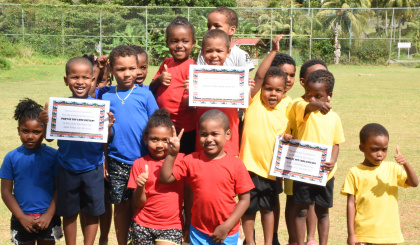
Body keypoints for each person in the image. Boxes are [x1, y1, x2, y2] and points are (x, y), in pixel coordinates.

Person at [39, 57, 114, 245]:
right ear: (66, 80)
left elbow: (107, 139)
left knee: (92, 212)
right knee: (69, 212)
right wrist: (45, 122)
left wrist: (109, 126)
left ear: (93, 81)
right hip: (66, 166)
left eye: (85, 78)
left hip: (93, 167)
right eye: (74, 77)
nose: (80, 82)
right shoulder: (60, 107)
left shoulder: (99, 108)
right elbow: (49, 138)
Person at [160, 109, 254, 245]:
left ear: (228, 134)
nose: (209, 139)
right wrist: (172, 154)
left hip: (226, 232)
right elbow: (165, 178)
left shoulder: (236, 164)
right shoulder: (191, 160)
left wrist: (226, 227)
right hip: (198, 231)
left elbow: (245, 199)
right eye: (204, 134)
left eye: (214, 134)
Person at [102, 45, 159, 245]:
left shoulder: (146, 95)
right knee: (121, 207)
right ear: (111, 69)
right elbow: (101, 134)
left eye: (132, 68)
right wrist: (104, 160)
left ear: (138, 68)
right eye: (121, 69)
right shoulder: (105, 96)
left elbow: (157, 125)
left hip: (143, 162)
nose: (127, 74)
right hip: (117, 161)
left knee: (142, 205)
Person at [283, 69, 345, 245]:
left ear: (329, 95)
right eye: (308, 94)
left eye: (318, 95)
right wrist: (315, 104)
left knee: (323, 212)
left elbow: (336, 143)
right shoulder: (302, 109)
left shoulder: (334, 118)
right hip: (302, 171)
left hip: (325, 174)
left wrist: (333, 161)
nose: (312, 98)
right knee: (301, 210)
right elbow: (308, 106)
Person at [341, 123, 418, 245]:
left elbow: (414, 183)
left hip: (389, 235)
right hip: (364, 235)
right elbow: (351, 204)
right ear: (362, 148)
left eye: (384, 149)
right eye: (374, 149)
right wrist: (351, 235)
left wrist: (405, 164)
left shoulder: (393, 169)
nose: (380, 154)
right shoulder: (354, 172)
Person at [1, 98, 63, 245]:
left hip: (49, 217)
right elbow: (5, 192)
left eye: (36, 132)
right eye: (25, 131)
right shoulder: (11, 158)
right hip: (21, 218)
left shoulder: (53, 156)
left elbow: (59, 188)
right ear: (18, 131)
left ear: (44, 131)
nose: (30, 136)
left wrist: (48, 215)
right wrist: (22, 217)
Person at [240, 65, 288, 245]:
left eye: (278, 90)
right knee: (248, 210)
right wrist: (274, 51)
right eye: (268, 89)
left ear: (284, 92)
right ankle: (250, 242)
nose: (273, 94)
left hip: (271, 171)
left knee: (268, 209)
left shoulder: (287, 109)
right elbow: (259, 75)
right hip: (248, 169)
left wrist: (289, 136)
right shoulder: (253, 104)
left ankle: (269, 242)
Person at [187, 29, 254, 156]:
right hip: (205, 138)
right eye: (209, 51)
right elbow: (190, 107)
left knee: (227, 168)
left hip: (229, 137)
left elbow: (245, 107)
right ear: (202, 52)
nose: (214, 55)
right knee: (204, 168)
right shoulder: (197, 77)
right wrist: (191, 91)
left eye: (219, 51)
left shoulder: (236, 77)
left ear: (228, 52)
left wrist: (247, 89)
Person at [283, 59, 328, 245]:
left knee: (316, 205)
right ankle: (295, 240)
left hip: (319, 169)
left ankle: (311, 239)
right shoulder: (299, 103)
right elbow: (308, 107)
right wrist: (317, 104)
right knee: (295, 202)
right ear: (303, 82)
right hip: (297, 164)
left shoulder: (330, 113)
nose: (318, 79)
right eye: (313, 76)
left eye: (323, 76)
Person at [127, 109, 186, 245]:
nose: (160, 145)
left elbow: (189, 195)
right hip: (142, 223)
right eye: (154, 139)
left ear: (173, 138)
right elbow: (138, 203)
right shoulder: (139, 163)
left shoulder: (181, 160)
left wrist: (188, 223)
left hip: (171, 225)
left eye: (165, 140)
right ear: (145, 139)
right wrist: (140, 186)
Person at [150, 16, 197, 155]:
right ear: (167, 43)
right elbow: (151, 89)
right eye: (174, 41)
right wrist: (159, 79)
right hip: (163, 125)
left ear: (193, 43)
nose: (179, 45)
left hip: (185, 127)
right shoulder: (166, 62)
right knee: (163, 158)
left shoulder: (193, 66)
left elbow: (191, 104)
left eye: (185, 41)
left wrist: (192, 90)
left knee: (183, 158)